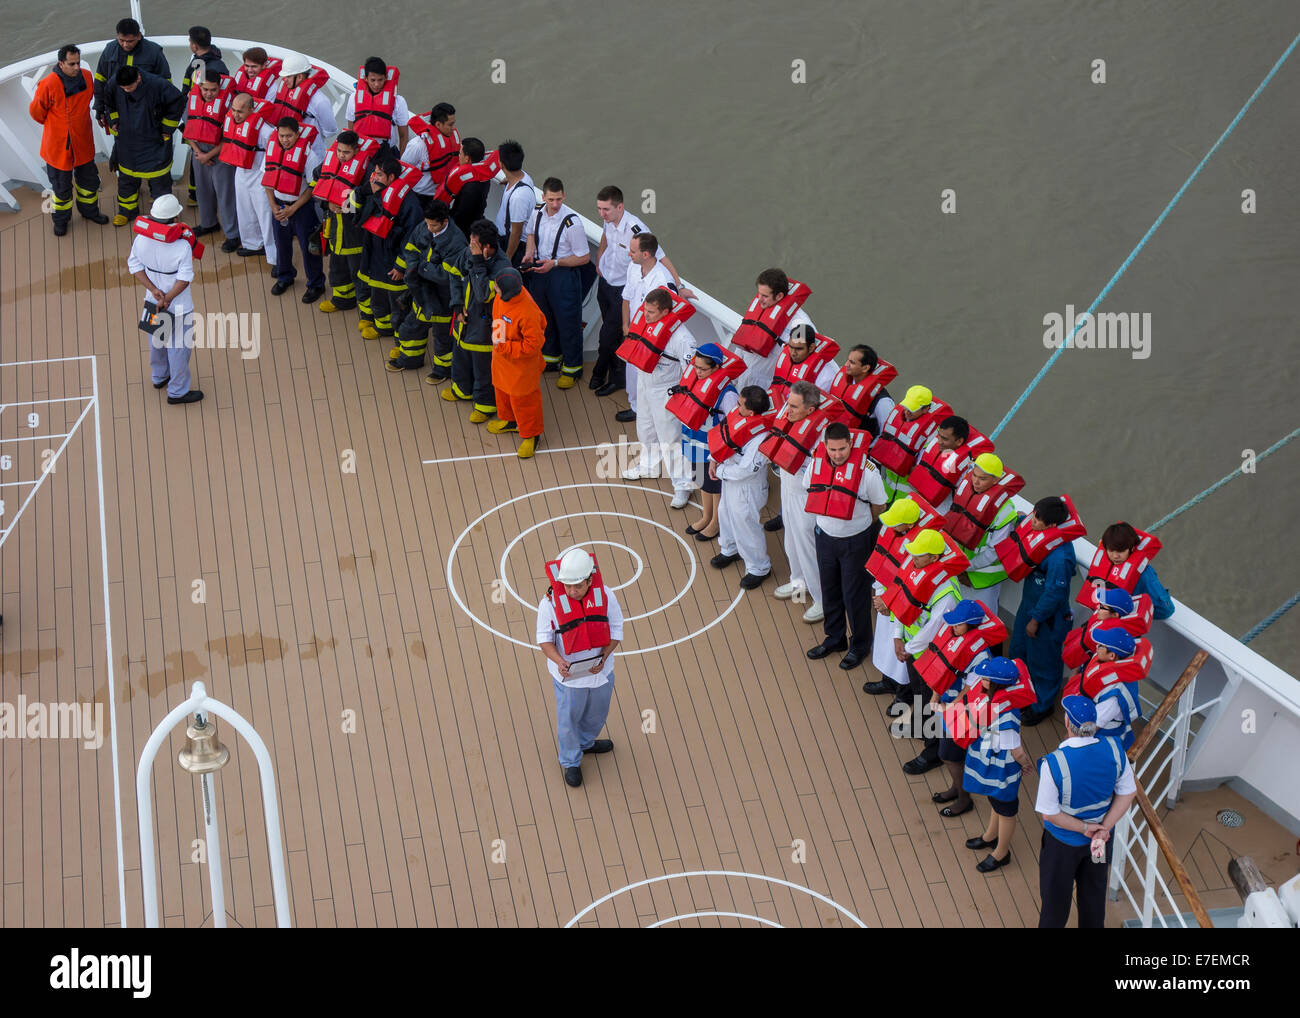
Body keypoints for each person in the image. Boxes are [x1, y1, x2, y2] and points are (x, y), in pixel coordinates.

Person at [1036, 696, 1137, 928]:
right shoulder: (1114, 749)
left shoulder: (1053, 763)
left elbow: (1049, 814)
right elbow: (1128, 792)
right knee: (1093, 898)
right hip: (1099, 844)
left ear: (1066, 722)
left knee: (1055, 903)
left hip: (1062, 846)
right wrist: (1103, 829)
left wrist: (1084, 828)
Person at [537, 549, 623, 788]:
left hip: (601, 671)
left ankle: (586, 743)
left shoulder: (606, 596)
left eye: (577, 586)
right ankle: (570, 761)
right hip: (569, 678)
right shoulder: (549, 604)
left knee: (598, 712)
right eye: (567, 586)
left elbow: (615, 629)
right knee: (569, 718)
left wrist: (604, 656)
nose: (572, 591)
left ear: (589, 580)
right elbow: (544, 639)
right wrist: (559, 661)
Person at [804, 422, 887, 669]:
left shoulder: (867, 473)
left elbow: (879, 506)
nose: (838, 454)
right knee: (829, 589)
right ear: (825, 447)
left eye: (842, 449)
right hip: (825, 537)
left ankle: (860, 645)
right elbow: (808, 488)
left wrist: (859, 527)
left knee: (855, 596)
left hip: (855, 541)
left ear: (850, 444)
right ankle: (835, 637)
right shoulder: (816, 464)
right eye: (833, 449)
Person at [591, 186, 687, 399]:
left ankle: (611, 376)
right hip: (606, 282)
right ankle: (608, 372)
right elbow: (605, 238)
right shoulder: (608, 221)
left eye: (606, 209)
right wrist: (599, 259)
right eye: (599, 209)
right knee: (611, 332)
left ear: (620, 207)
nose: (602, 214)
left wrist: (679, 286)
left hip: (622, 290)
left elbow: (661, 257)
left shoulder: (637, 230)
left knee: (609, 336)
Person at [882, 527, 964, 775]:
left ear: (935, 558)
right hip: (912, 650)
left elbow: (933, 630)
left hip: (933, 656)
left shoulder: (946, 592)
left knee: (933, 700)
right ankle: (920, 725)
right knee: (918, 691)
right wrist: (897, 636)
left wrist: (906, 647)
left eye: (919, 555)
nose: (913, 558)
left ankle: (933, 749)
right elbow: (903, 602)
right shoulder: (916, 571)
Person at [921, 599, 1003, 819]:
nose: (953, 628)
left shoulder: (980, 656)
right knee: (948, 753)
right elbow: (944, 671)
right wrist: (936, 695)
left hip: (963, 711)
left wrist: (948, 707)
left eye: (958, 624)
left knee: (949, 755)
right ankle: (956, 788)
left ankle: (964, 799)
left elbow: (970, 690)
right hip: (947, 702)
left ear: (971, 625)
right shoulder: (955, 640)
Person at [762, 381, 836, 623]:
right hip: (787, 487)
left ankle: (823, 600)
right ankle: (798, 581)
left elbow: (821, 472)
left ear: (811, 410)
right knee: (791, 540)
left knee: (808, 547)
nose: (787, 411)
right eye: (788, 404)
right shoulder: (793, 420)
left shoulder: (821, 437)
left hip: (806, 497)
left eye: (793, 407)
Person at [1005, 495, 1081, 726]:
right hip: (1028, 606)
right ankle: (1020, 693)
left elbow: (1055, 594)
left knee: (1043, 662)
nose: (1033, 521)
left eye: (1037, 519)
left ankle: (1042, 706)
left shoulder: (1061, 557)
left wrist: (1036, 620)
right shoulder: (1039, 533)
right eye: (1034, 514)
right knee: (1019, 650)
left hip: (1047, 618)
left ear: (1051, 525)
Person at [618, 287, 696, 502]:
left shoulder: (682, 338)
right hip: (645, 383)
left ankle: (683, 484)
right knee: (645, 428)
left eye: (651, 312)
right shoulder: (647, 323)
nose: (645, 315)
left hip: (666, 390)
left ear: (665, 312)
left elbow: (692, 371)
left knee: (670, 438)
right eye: (645, 310)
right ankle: (649, 465)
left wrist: (684, 400)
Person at [959, 657, 1036, 873]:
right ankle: (991, 836)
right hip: (993, 759)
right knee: (996, 801)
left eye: (985, 678)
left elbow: (1015, 748)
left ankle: (1002, 852)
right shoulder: (997, 700)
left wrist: (1025, 764)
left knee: (1006, 807)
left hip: (1002, 766)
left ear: (994, 683)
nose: (981, 680)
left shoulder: (1007, 712)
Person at [127, 194, 202, 404]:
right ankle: (177, 391)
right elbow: (184, 279)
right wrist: (167, 298)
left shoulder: (141, 239)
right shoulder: (182, 246)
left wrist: (154, 291)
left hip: (153, 301)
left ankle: (159, 377)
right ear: (176, 218)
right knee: (178, 347)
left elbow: (134, 266)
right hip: (178, 305)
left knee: (157, 340)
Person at [29, 43, 109, 236]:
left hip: (82, 144)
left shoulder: (87, 76)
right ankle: (60, 221)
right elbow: (37, 113)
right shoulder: (48, 84)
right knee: (60, 190)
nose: (76, 68)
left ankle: (90, 212)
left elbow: (91, 98)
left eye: (78, 63)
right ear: (61, 63)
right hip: (58, 149)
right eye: (71, 64)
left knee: (88, 184)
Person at [522, 177, 591, 388]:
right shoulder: (537, 211)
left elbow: (584, 257)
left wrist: (555, 263)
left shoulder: (572, 224)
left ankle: (572, 368)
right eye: (551, 199)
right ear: (543, 197)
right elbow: (531, 233)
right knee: (545, 318)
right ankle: (550, 358)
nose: (555, 204)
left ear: (564, 196)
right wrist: (529, 251)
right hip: (541, 272)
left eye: (559, 199)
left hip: (563, 275)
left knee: (568, 323)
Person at [668, 344, 743, 525]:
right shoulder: (697, 381)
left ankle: (715, 522)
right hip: (694, 442)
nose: (698, 372)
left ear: (716, 367)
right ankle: (706, 516)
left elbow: (732, 424)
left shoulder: (728, 394)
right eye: (696, 367)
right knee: (701, 481)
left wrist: (718, 453)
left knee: (714, 487)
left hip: (711, 450)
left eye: (703, 369)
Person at [445, 219, 512, 419]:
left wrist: (477, 262)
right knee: (461, 357)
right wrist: (457, 304)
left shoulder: (502, 268)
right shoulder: (471, 251)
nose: (470, 246)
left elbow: (483, 293)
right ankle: (462, 390)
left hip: (485, 327)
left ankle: (485, 405)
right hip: (465, 319)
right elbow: (454, 275)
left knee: (484, 367)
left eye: (474, 244)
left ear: (488, 248)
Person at [709, 385, 774, 589]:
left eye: (740, 404)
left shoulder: (761, 437)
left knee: (745, 523)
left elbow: (747, 470)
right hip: (729, 477)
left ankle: (759, 567)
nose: (735, 407)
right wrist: (714, 459)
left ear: (751, 412)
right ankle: (730, 548)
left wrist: (720, 472)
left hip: (747, 487)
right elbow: (724, 436)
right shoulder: (740, 417)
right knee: (725, 513)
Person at [391, 197, 466, 373]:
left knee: (443, 339)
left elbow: (446, 275)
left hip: (443, 298)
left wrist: (421, 267)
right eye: (427, 224)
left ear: (444, 222)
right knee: (411, 328)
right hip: (422, 293)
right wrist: (410, 268)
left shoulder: (457, 242)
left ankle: (443, 370)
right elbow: (410, 249)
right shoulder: (424, 227)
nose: (429, 229)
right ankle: (410, 360)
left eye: (433, 226)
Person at [103, 65, 184, 225]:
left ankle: (164, 215)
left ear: (138, 78)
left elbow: (178, 102)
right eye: (123, 88)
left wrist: (167, 129)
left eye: (129, 87)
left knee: (159, 180)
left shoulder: (158, 85)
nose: (126, 90)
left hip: (153, 141)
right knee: (126, 179)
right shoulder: (114, 83)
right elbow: (109, 103)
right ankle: (127, 211)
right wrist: (113, 120)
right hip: (127, 142)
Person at [947, 452, 1023, 619]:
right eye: (974, 475)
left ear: (995, 480)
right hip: (960, 568)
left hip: (983, 578)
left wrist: (965, 568)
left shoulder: (1004, 511)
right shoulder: (967, 491)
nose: (976, 481)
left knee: (983, 622)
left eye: (983, 479)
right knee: (959, 618)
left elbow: (994, 552)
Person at [865, 497, 926, 699]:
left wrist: (888, 601)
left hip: (902, 605)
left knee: (901, 651)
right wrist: (879, 592)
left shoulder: (918, 548)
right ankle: (888, 681)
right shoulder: (895, 532)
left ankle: (903, 692)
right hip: (885, 595)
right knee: (885, 641)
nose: (889, 524)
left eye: (895, 521)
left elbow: (910, 581)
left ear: (909, 524)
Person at [312, 131, 376, 315]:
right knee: (337, 267)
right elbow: (317, 184)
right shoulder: (329, 162)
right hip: (335, 228)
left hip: (354, 232)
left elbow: (369, 200)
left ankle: (368, 314)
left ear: (356, 150)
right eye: (339, 150)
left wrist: (344, 206)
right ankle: (342, 300)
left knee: (360, 273)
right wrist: (327, 204)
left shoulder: (367, 170)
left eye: (346, 152)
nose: (341, 155)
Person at [356, 157, 422, 338]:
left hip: (392, 258)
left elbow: (412, 238)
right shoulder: (375, 190)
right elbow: (360, 215)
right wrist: (365, 193)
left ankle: (400, 335)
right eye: (373, 173)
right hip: (375, 253)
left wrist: (401, 266)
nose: (373, 178)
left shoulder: (409, 202)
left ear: (391, 177)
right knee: (377, 293)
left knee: (395, 298)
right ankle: (382, 327)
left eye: (378, 174)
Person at [486, 268, 547, 458]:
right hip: (502, 359)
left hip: (521, 367)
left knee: (524, 400)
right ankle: (510, 421)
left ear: (506, 291)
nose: (494, 287)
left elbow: (533, 345)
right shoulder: (502, 297)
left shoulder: (527, 312)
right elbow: (497, 317)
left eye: (497, 286)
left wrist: (504, 348)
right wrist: (498, 340)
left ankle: (532, 435)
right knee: (501, 391)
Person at [263, 116, 325, 302]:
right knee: (281, 244)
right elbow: (267, 181)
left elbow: (312, 187)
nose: (285, 140)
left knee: (309, 248)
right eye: (281, 136)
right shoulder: (271, 150)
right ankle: (285, 276)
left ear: (297, 134)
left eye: (289, 136)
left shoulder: (309, 155)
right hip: (279, 205)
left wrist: (293, 208)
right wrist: (273, 205)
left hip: (302, 209)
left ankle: (316, 284)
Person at [616, 232, 676, 419]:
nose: (629, 254)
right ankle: (635, 406)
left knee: (645, 377)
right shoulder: (634, 268)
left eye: (633, 251)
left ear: (646, 254)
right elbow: (627, 298)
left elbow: (665, 317)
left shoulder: (662, 280)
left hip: (650, 337)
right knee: (632, 373)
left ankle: (643, 411)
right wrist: (626, 327)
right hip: (633, 332)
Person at [729, 268, 814, 392]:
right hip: (743, 378)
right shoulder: (761, 308)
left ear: (779, 296)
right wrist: (731, 378)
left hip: (764, 388)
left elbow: (803, 357)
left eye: (764, 296)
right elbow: (742, 345)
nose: (759, 299)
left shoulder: (799, 323)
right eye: (758, 293)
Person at [183, 70, 239, 249]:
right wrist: (198, 152)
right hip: (198, 151)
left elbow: (230, 136)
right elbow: (186, 126)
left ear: (219, 88)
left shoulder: (229, 104)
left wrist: (209, 155)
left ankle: (233, 234)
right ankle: (208, 223)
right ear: (199, 87)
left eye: (213, 90)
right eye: (205, 89)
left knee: (226, 194)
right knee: (203, 191)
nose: (209, 94)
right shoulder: (191, 100)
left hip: (221, 154)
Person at [220, 93, 277, 267]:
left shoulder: (265, 130)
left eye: (241, 112)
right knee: (244, 209)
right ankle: (252, 243)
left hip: (259, 174)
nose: (236, 115)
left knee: (265, 214)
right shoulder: (231, 121)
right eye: (234, 110)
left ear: (251, 110)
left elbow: (273, 152)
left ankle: (275, 257)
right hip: (241, 171)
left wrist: (267, 176)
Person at [870, 384, 952, 501]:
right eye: (907, 406)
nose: (907, 412)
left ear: (926, 409)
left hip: (905, 497)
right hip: (884, 489)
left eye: (913, 409)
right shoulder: (897, 421)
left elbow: (922, 471)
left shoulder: (932, 438)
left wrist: (897, 462)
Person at [93, 17, 171, 132]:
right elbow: (100, 80)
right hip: (117, 108)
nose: (125, 45)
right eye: (121, 40)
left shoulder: (154, 52)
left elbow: (165, 83)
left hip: (146, 109)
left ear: (139, 36)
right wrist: (99, 109)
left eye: (130, 41)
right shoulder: (109, 50)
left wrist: (162, 110)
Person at [179, 27, 229, 208]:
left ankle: (199, 197)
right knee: (197, 166)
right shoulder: (212, 61)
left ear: (193, 44)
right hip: (195, 124)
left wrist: (205, 153)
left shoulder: (207, 66)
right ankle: (195, 194)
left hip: (210, 133)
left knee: (208, 173)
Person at [1085, 522, 1175, 620]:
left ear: (1131, 549)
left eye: (1120, 551)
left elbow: (1166, 610)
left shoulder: (1144, 575)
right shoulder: (1103, 561)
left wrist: (1128, 611)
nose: (1115, 556)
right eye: (1111, 550)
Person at [909, 415, 988, 515]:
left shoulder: (967, 469)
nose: (939, 442)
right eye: (939, 436)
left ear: (959, 441)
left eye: (945, 439)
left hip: (937, 515)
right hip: (915, 505)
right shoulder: (931, 449)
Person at [828, 344, 896, 438]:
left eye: (852, 362)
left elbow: (887, 435)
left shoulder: (883, 402)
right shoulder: (840, 379)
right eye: (848, 360)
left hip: (857, 446)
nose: (846, 364)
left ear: (865, 368)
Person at [273, 56, 336, 158]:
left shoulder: (320, 101)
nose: (284, 80)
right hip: (288, 149)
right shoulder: (286, 90)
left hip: (313, 153)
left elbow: (330, 130)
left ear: (300, 77)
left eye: (288, 76)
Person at [346, 57, 410, 151]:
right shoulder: (353, 98)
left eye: (380, 80)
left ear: (386, 78)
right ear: (366, 78)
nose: (376, 84)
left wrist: (402, 162)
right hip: (362, 150)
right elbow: (351, 130)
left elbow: (404, 136)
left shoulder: (398, 101)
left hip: (387, 151)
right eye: (373, 80)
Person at [769, 324, 839, 409]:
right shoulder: (787, 357)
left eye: (799, 349)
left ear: (811, 348)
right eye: (791, 347)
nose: (793, 353)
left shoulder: (825, 376)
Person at [491, 139, 534, 266]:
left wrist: (507, 258)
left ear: (501, 164)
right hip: (505, 236)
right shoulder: (523, 176)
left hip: (513, 244)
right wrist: (508, 180)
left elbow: (516, 232)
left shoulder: (518, 197)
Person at [402, 103, 458, 195]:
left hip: (442, 192)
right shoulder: (417, 145)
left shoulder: (451, 139)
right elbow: (404, 169)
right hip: (420, 195)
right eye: (450, 125)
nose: (453, 128)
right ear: (438, 124)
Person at [449, 137, 491, 237]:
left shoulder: (470, 187)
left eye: (460, 153)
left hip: (466, 231)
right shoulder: (484, 176)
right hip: (477, 218)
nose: (458, 156)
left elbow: (462, 216)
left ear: (467, 158)